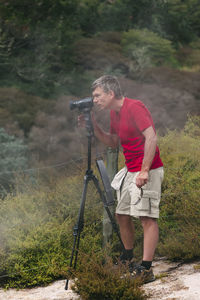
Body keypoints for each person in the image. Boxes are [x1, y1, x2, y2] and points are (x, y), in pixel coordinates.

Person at [90, 75, 164, 283]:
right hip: (130, 170)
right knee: (122, 214)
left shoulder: (135, 107)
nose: (95, 100)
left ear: (110, 93)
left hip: (147, 169)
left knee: (147, 218)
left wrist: (145, 170)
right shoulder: (115, 113)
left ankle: (146, 269)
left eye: (97, 95)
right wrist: (94, 126)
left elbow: (151, 137)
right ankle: (127, 259)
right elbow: (114, 142)